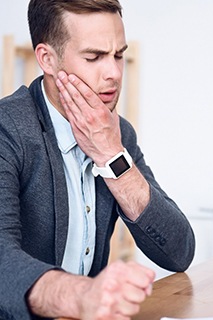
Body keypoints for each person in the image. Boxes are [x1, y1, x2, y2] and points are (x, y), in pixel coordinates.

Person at [0, 0, 195, 319]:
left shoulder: (115, 133)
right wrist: (84, 294)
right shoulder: (7, 128)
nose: (115, 73)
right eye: (94, 57)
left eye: (118, 54)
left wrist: (112, 157)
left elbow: (179, 251)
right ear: (47, 59)